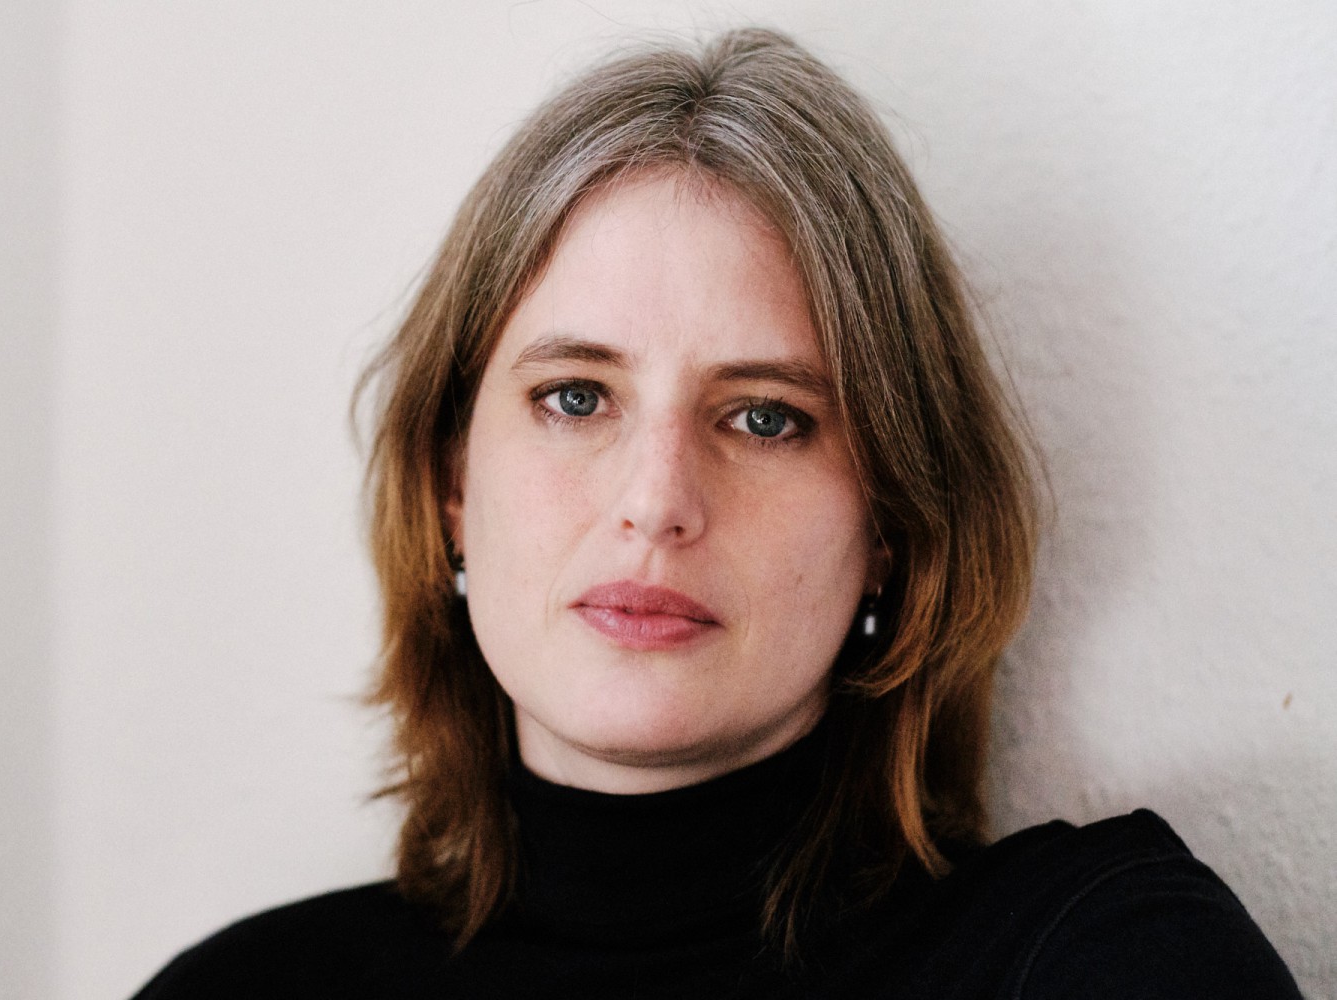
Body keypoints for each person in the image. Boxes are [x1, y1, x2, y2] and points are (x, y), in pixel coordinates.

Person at [132, 27, 1300, 999]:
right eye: (575, 397)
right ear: (451, 487)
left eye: (764, 417)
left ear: (890, 523)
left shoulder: (1097, 954)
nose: (656, 503)